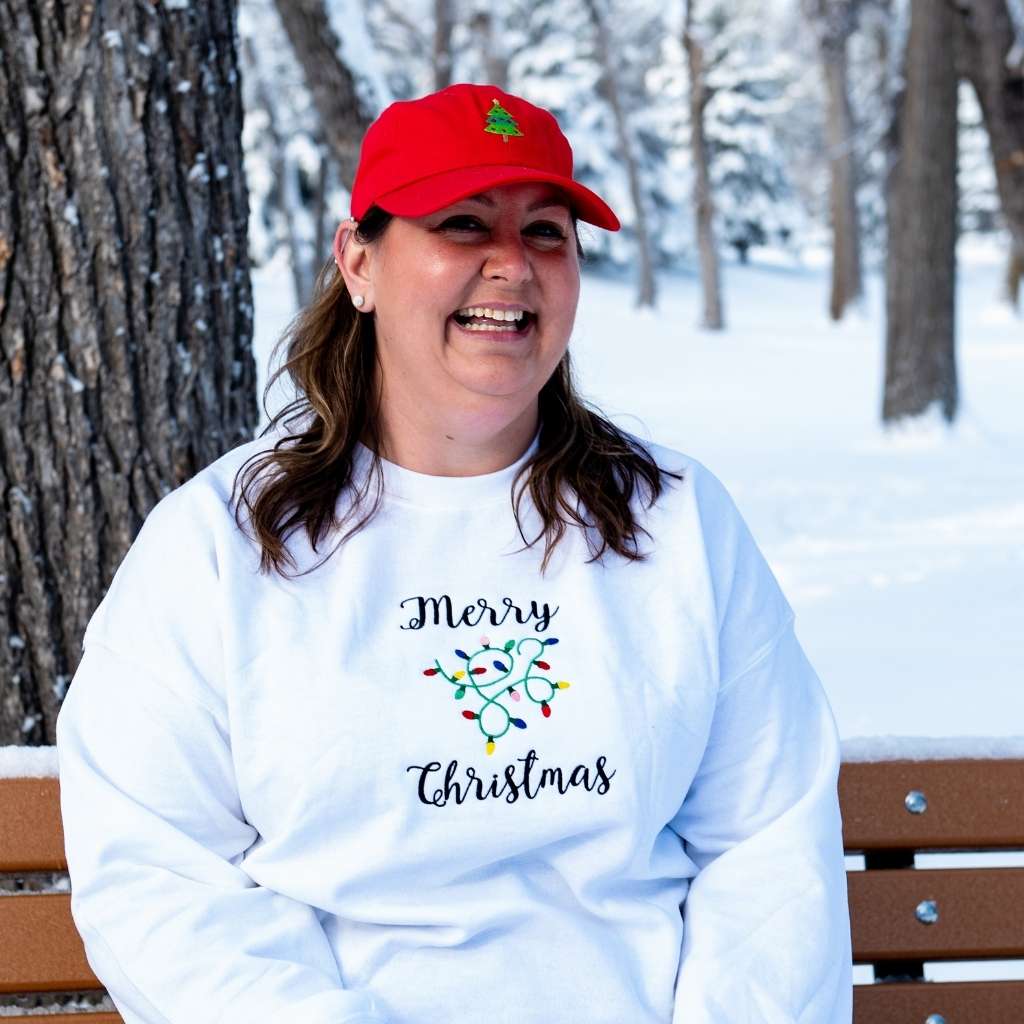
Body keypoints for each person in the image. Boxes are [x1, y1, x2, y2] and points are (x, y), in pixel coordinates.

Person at [56, 83, 852, 1024]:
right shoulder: (223, 540)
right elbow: (157, 873)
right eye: (463, 224)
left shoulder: (673, 522)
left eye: (547, 232)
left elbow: (768, 846)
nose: (512, 264)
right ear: (359, 262)